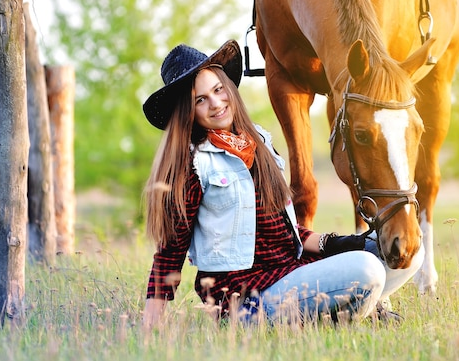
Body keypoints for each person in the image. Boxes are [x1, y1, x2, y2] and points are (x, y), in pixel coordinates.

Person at [141, 39, 424, 328]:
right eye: (200, 100)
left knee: (407, 252)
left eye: (217, 90)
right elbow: (170, 252)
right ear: (187, 111)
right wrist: (151, 328)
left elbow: (285, 233)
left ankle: (337, 309)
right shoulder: (194, 165)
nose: (215, 103)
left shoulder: (258, 144)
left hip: (290, 272)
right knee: (367, 270)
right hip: (248, 297)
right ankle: (349, 311)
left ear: (228, 88)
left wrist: (344, 243)